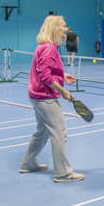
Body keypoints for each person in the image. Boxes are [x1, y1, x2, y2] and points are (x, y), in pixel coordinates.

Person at [20, 15, 84, 182]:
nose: (66, 28)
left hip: (36, 95)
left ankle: (27, 163)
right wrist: (63, 91)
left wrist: (62, 75)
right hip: (44, 97)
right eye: (63, 26)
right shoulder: (49, 48)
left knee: (42, 132)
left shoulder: (44, 46)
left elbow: (47, 70)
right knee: (59, 132)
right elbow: (44, 75)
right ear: (55, 28)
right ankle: (63, 173)